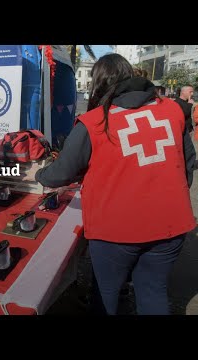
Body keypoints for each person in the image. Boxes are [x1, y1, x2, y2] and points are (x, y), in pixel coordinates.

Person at [23, 53, 196, 315]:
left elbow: (61, 173)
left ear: (99, 83)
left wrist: (38, 175)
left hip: (116, 231)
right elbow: (187, 165)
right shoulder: (173, 111)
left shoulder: (95, 121)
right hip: (170, 225)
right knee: (153, 292)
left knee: (105, 297)